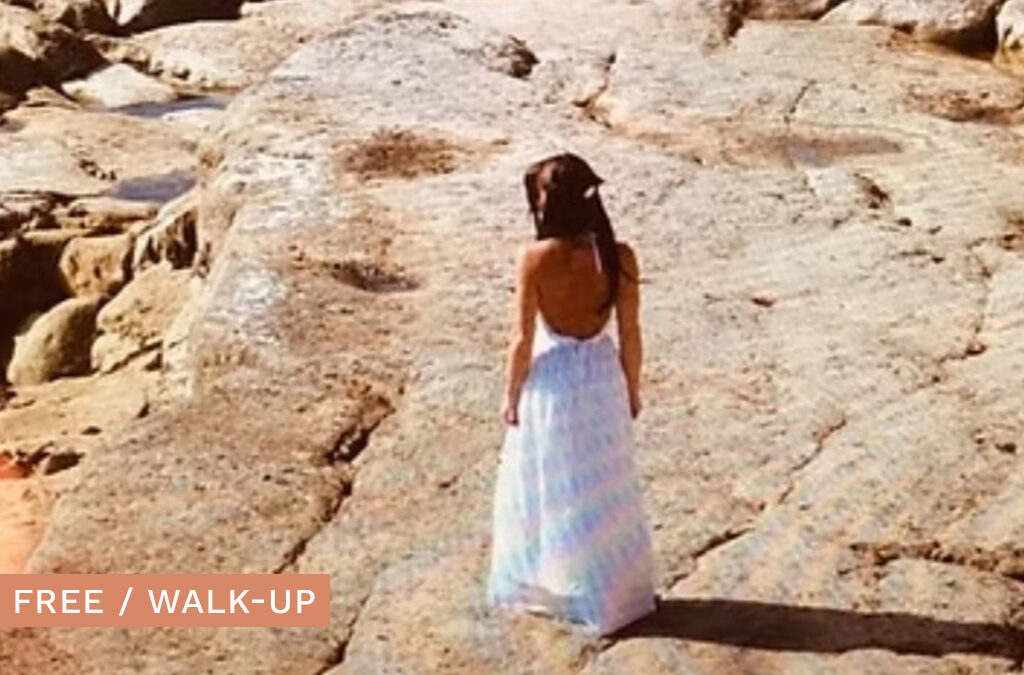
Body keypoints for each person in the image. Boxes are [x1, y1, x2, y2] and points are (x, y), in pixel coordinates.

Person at [486, 152, 657, 635]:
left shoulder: (536, 258)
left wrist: (511, 394)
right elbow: (631, 331)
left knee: (556, 483)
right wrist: (632, 388)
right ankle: (612, 588)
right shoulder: (620, 255)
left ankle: (560, 582)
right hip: (602, 376)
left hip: (554, 381)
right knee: (604, 486)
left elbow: (521, 339)